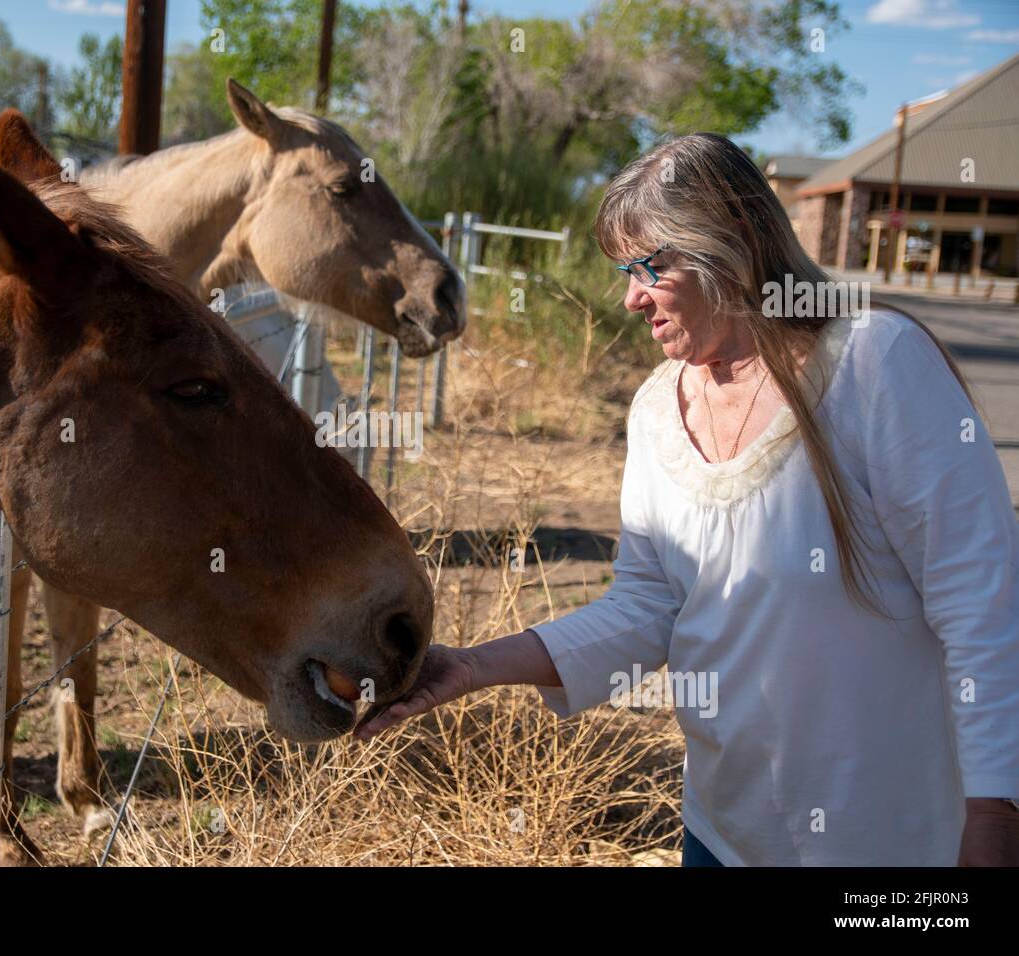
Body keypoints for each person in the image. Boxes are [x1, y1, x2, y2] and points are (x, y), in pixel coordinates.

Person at [354, 133, 1019, 866]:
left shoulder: (873, 364)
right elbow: (648, 609)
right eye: (623, 271)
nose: (631, 297)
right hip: (722, 834)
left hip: (896, 843)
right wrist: (475, 668)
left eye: (651, 266)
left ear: (732, 239)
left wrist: (994, 808)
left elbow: (982, 604)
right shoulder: (654, 410)